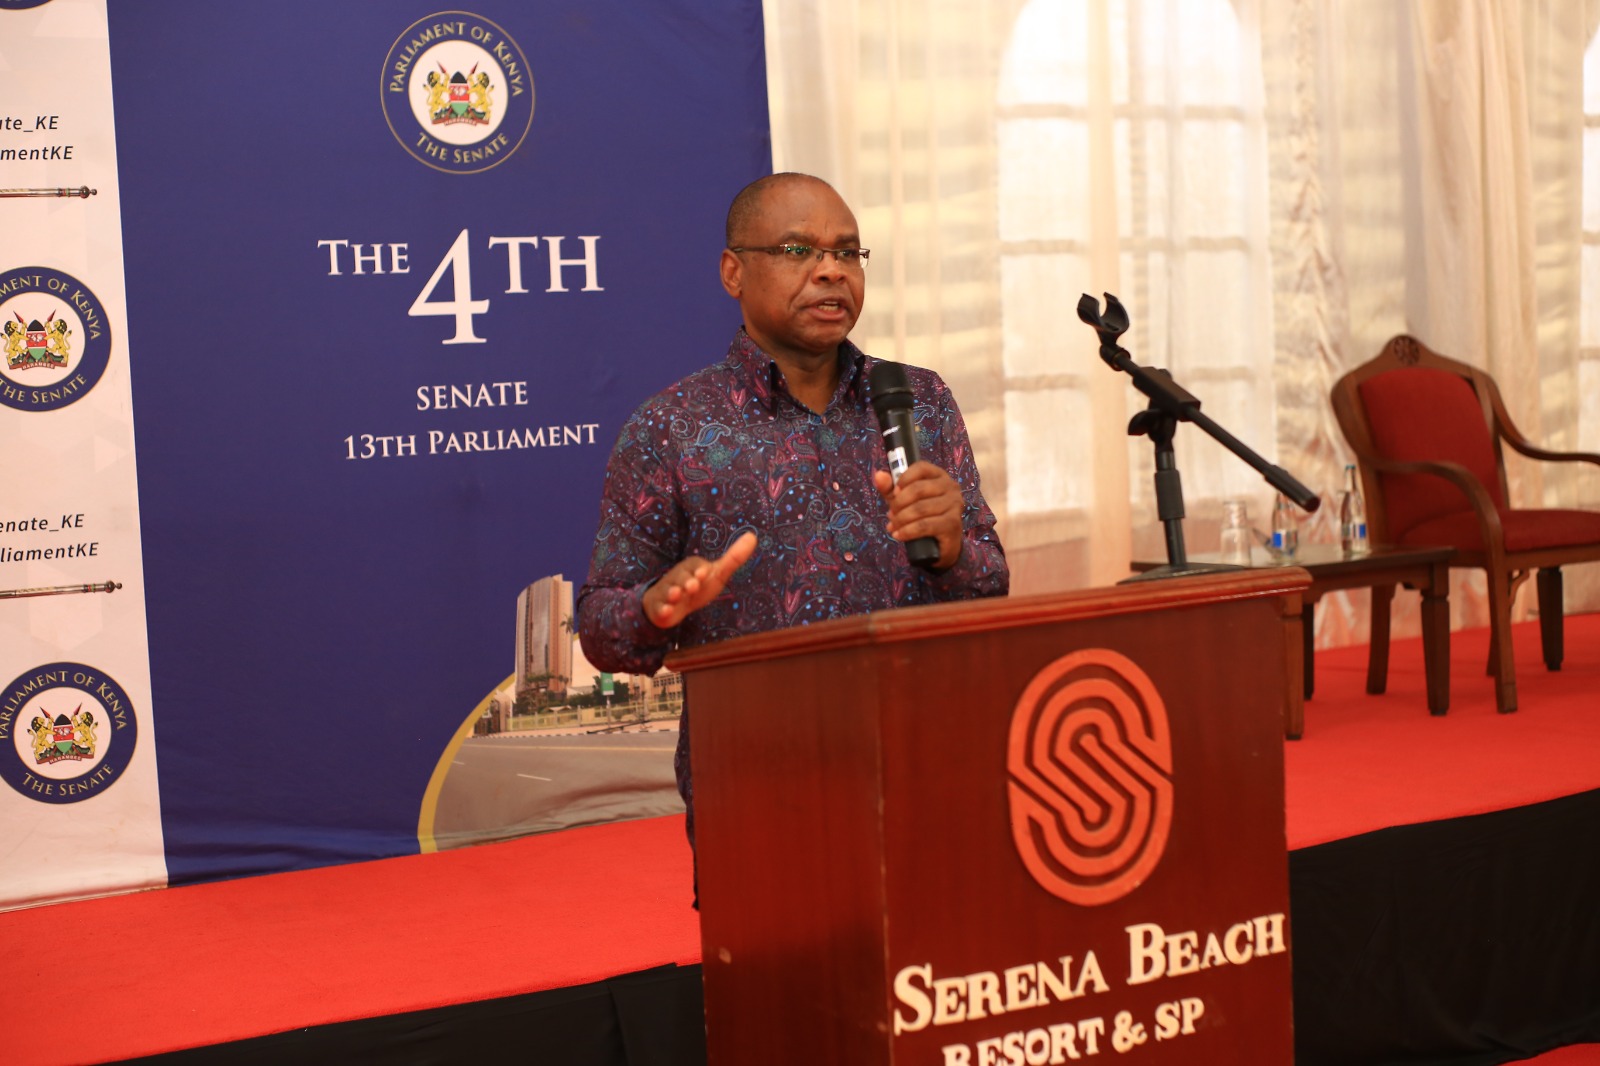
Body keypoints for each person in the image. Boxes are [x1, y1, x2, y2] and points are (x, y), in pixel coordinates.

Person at [575, 172, 1008, 878]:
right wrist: (656, 607)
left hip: (930, 765)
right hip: (759, 789)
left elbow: (990, 583)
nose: (831, 269)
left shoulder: (917, 400)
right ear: (733, 272)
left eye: (847, 252)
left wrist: (954, 550)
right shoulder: (672, 429)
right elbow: (600, 627)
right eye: (800, 249)